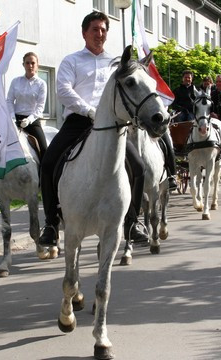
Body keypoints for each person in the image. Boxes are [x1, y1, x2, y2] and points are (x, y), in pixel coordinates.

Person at [37, 11, 149, 247]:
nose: (100, 34)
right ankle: (50, 224)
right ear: (84, 33)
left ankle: (132, 222)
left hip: (111, 126)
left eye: (103, 30)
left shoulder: (117, 64)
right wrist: (89, 110)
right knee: (48, 163)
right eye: (95, 29)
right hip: (79, 121)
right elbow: (64, 91)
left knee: (138, 167)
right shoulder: (72, 61)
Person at [0, 52, 48, 198]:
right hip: (14, 119)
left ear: (37, 65)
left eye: (33, 63)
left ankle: (46, 183)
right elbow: (9, 100)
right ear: (23, 64)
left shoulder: (42, 84)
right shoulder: (16, 81)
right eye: (27, 63)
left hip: (32, 121)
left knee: (45, 150)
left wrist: (28, 120)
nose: (30, 66)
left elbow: (40, 107)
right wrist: (11, 117)